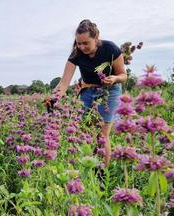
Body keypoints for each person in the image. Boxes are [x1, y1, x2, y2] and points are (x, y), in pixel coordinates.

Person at [52, 19, 127, 166]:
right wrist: (52, 99)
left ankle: (101, 173)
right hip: (87, 91)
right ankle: (90, 165)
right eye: (79, 43)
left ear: (96, 37)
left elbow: (124, 75)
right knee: (86, 133)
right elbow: (64, 82)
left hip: (109, 92)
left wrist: (115, 78)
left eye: (85, 43)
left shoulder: (110, 48)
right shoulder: (76, 54)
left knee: (102, 135)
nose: (81, 47)